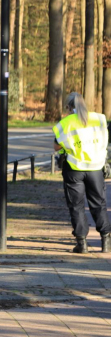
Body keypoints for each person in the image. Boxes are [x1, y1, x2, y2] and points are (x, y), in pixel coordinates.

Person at [52, 92, 111, 253]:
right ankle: (106, 240)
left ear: (68, 107)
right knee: (99, 204)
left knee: (76, 206)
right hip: (95, 167)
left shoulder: (66, 122)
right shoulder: (99, 118)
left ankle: (82, 243)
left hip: (74, 168)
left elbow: (56, 146)